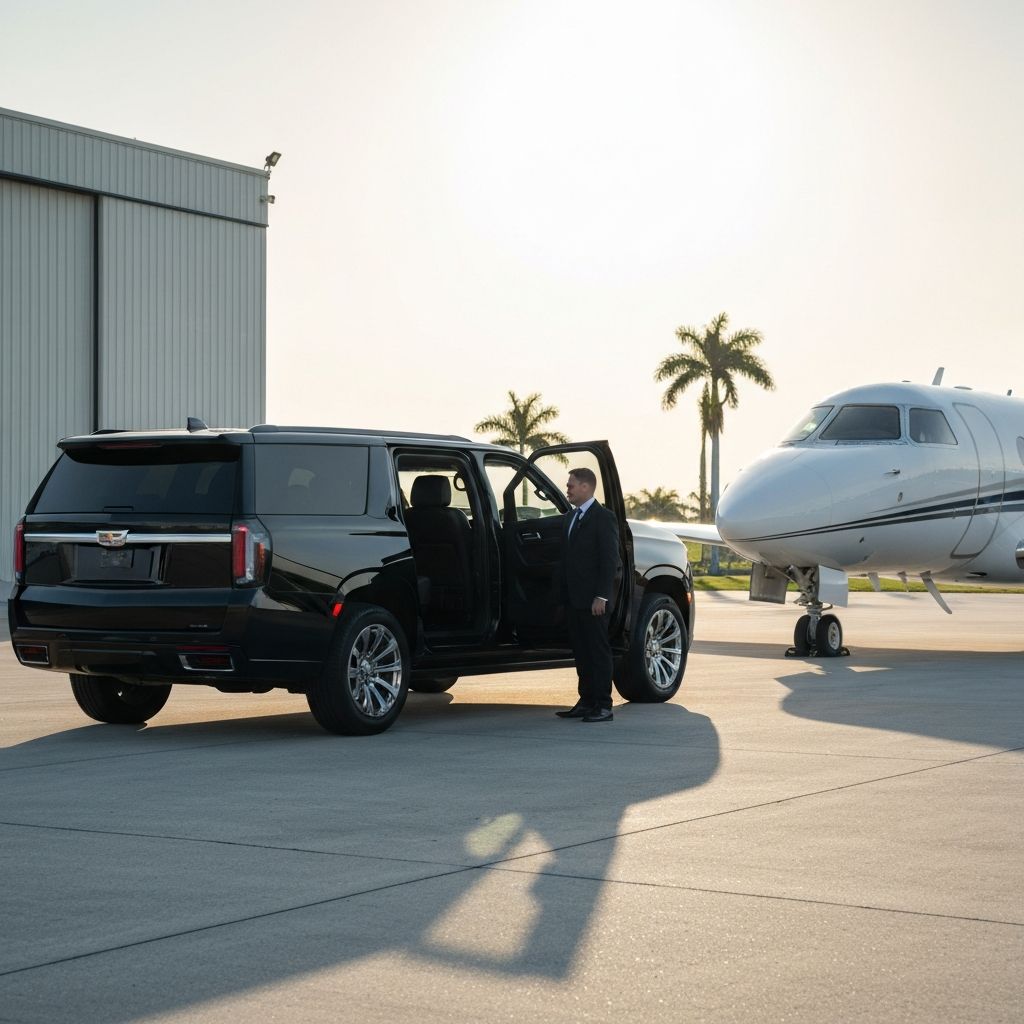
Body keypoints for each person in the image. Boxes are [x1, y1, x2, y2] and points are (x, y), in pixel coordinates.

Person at [555, 467, 620, 723]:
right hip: (574, 599)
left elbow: (609, 559)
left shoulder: (603, 518)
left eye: (571, 485)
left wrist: (601, 596)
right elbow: (567, 561)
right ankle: (586, 700)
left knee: (598, 652)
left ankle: (603, 705)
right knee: (581, 652)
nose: (567, 489)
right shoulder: (571, 518)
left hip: (594, 601)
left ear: (585, 487)